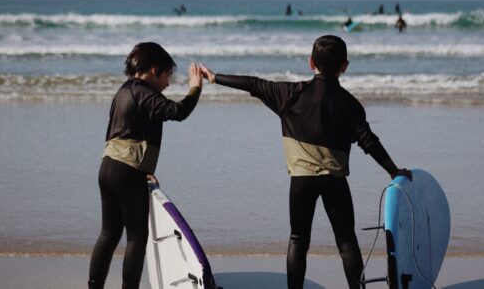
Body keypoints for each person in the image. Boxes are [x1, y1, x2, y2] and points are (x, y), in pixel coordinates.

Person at [200, 35, 411, 289]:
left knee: (298, 240)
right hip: (335, 181)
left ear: (311, 62)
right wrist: (393, 170)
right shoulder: (350, 105)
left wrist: (215, 77)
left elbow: (253, 84)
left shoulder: (289, 93)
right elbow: (369, 141)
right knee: (346, 241)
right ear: (344, 66)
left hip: (301, 181)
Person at [88, 42, 204, 289]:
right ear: (154, 70)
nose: (168, 84)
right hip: (127, 171)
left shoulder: (123, 91)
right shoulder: (144, 93)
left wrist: (145, 169)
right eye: (167, 76)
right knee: (137, 238)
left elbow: (120, 132)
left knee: (108, 234)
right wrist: (195, 88)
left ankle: (94, 286)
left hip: (108, 167)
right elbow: (177, 111)